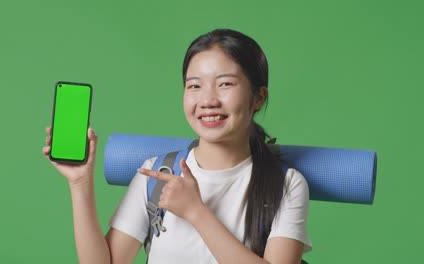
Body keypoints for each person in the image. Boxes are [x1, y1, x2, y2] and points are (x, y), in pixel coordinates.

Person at [43, 28, 312, 264]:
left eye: (225, 84)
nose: (207, 100)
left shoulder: (286, 185)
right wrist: (80, 183)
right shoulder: (158, 174)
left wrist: (196, 212)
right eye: (194, 86)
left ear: (258, 98)